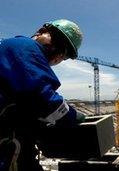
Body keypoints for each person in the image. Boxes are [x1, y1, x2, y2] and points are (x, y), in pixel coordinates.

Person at [0, 19, 86, 171]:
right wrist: (70, 115)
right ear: (40, 32)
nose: (58, 54)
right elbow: (43, 97)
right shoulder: (24, 46)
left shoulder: (13, 56)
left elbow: (25, 101)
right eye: (58, 43)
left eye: (64, 54)